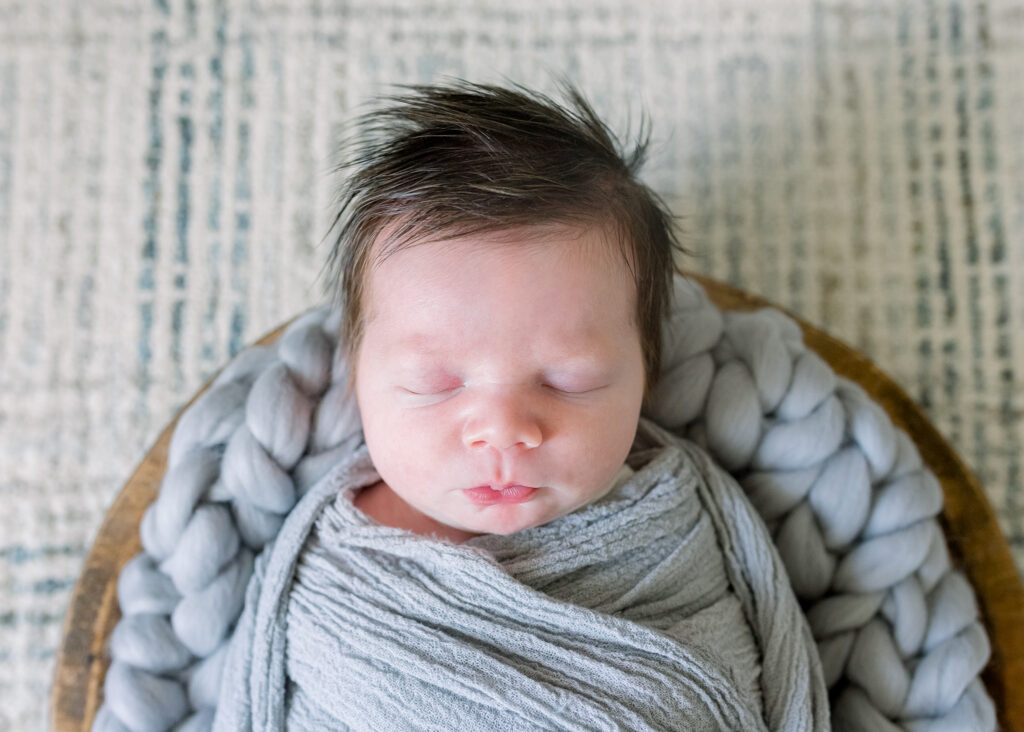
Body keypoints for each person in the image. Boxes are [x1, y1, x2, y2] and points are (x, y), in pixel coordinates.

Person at [212, 78, 827, 731]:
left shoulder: (678, 526)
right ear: (355, 379)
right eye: (435, 382)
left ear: (646, 372)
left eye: (567, 379)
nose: (504, 431)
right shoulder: (334, 566)